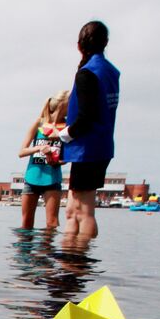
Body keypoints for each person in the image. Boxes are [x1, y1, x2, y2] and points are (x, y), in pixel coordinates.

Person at [59, 21, 119, 241]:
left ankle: (78, 265)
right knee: (72, 211)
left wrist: (65, 134)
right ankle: (69, 262)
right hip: (100, 145)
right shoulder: (109, 71)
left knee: (83, 212)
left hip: (88, 148)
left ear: (79, 45)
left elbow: (86, 116)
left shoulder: (88, 73)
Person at [17, 91, 69, 229]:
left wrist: (56, 160)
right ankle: (25, 250)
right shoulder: (39, 123)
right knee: (26, 222)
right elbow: (21, 152)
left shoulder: (67, 127)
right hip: (32, 178)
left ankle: (47, 250)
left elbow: (67, 157)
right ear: (63, 106)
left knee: (52, 223)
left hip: (52, 179)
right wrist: (40, 148)